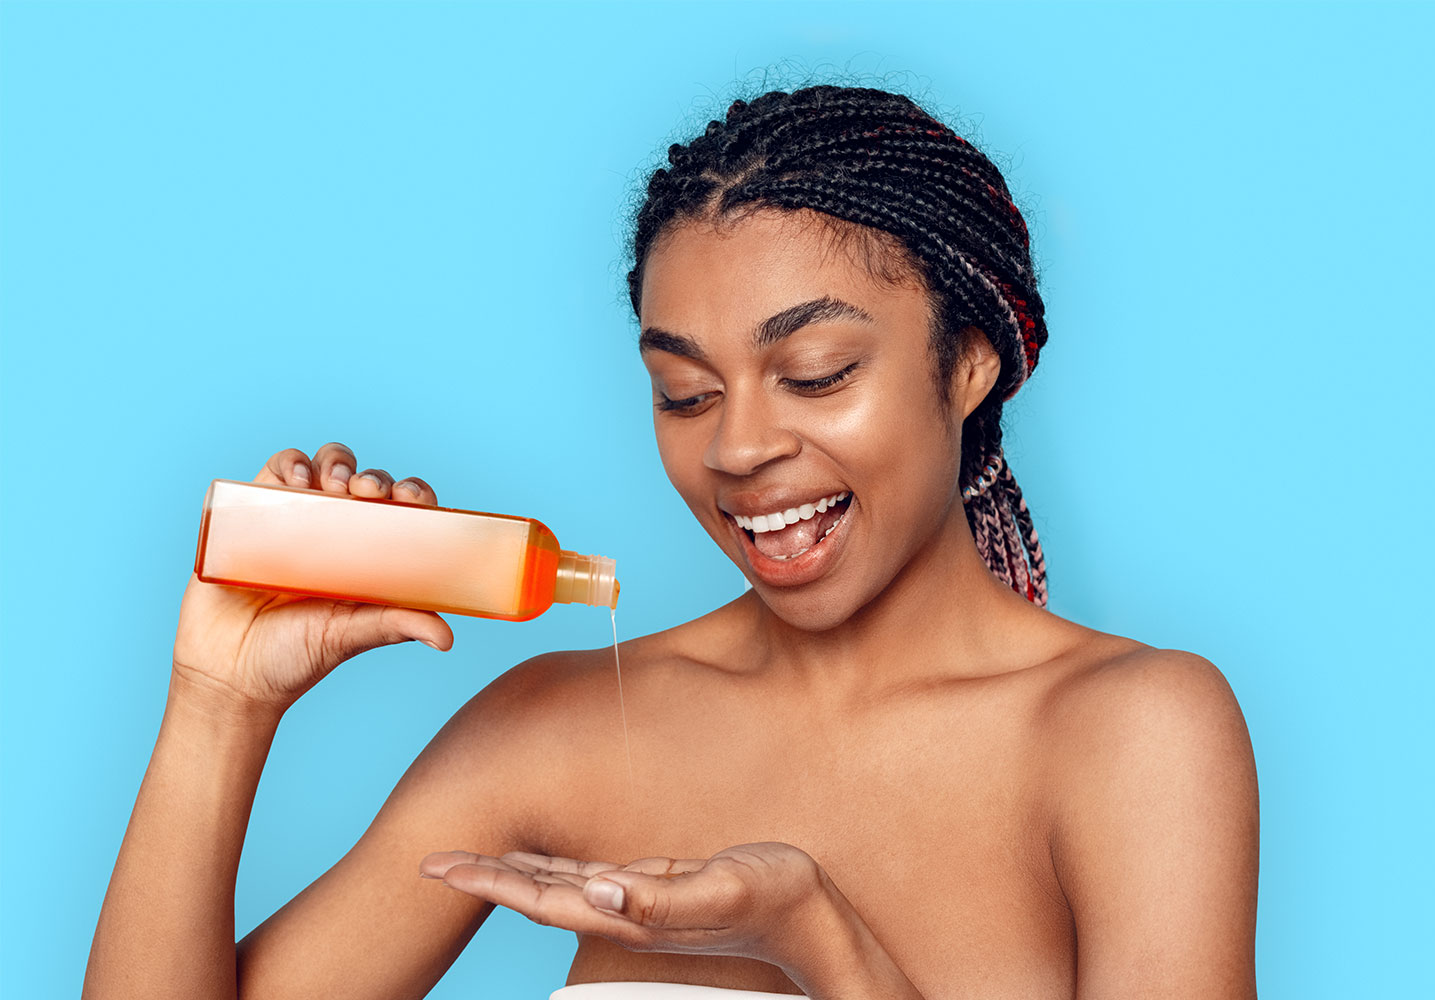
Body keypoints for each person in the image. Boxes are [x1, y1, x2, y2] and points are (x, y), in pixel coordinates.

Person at [84, 84, 1259, 999]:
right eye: (687, 393)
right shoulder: (562, 726)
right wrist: (216, 705)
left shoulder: (1128, 734)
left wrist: (821, 942)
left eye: (815, 373)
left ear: (969, 365)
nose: (740, 448)